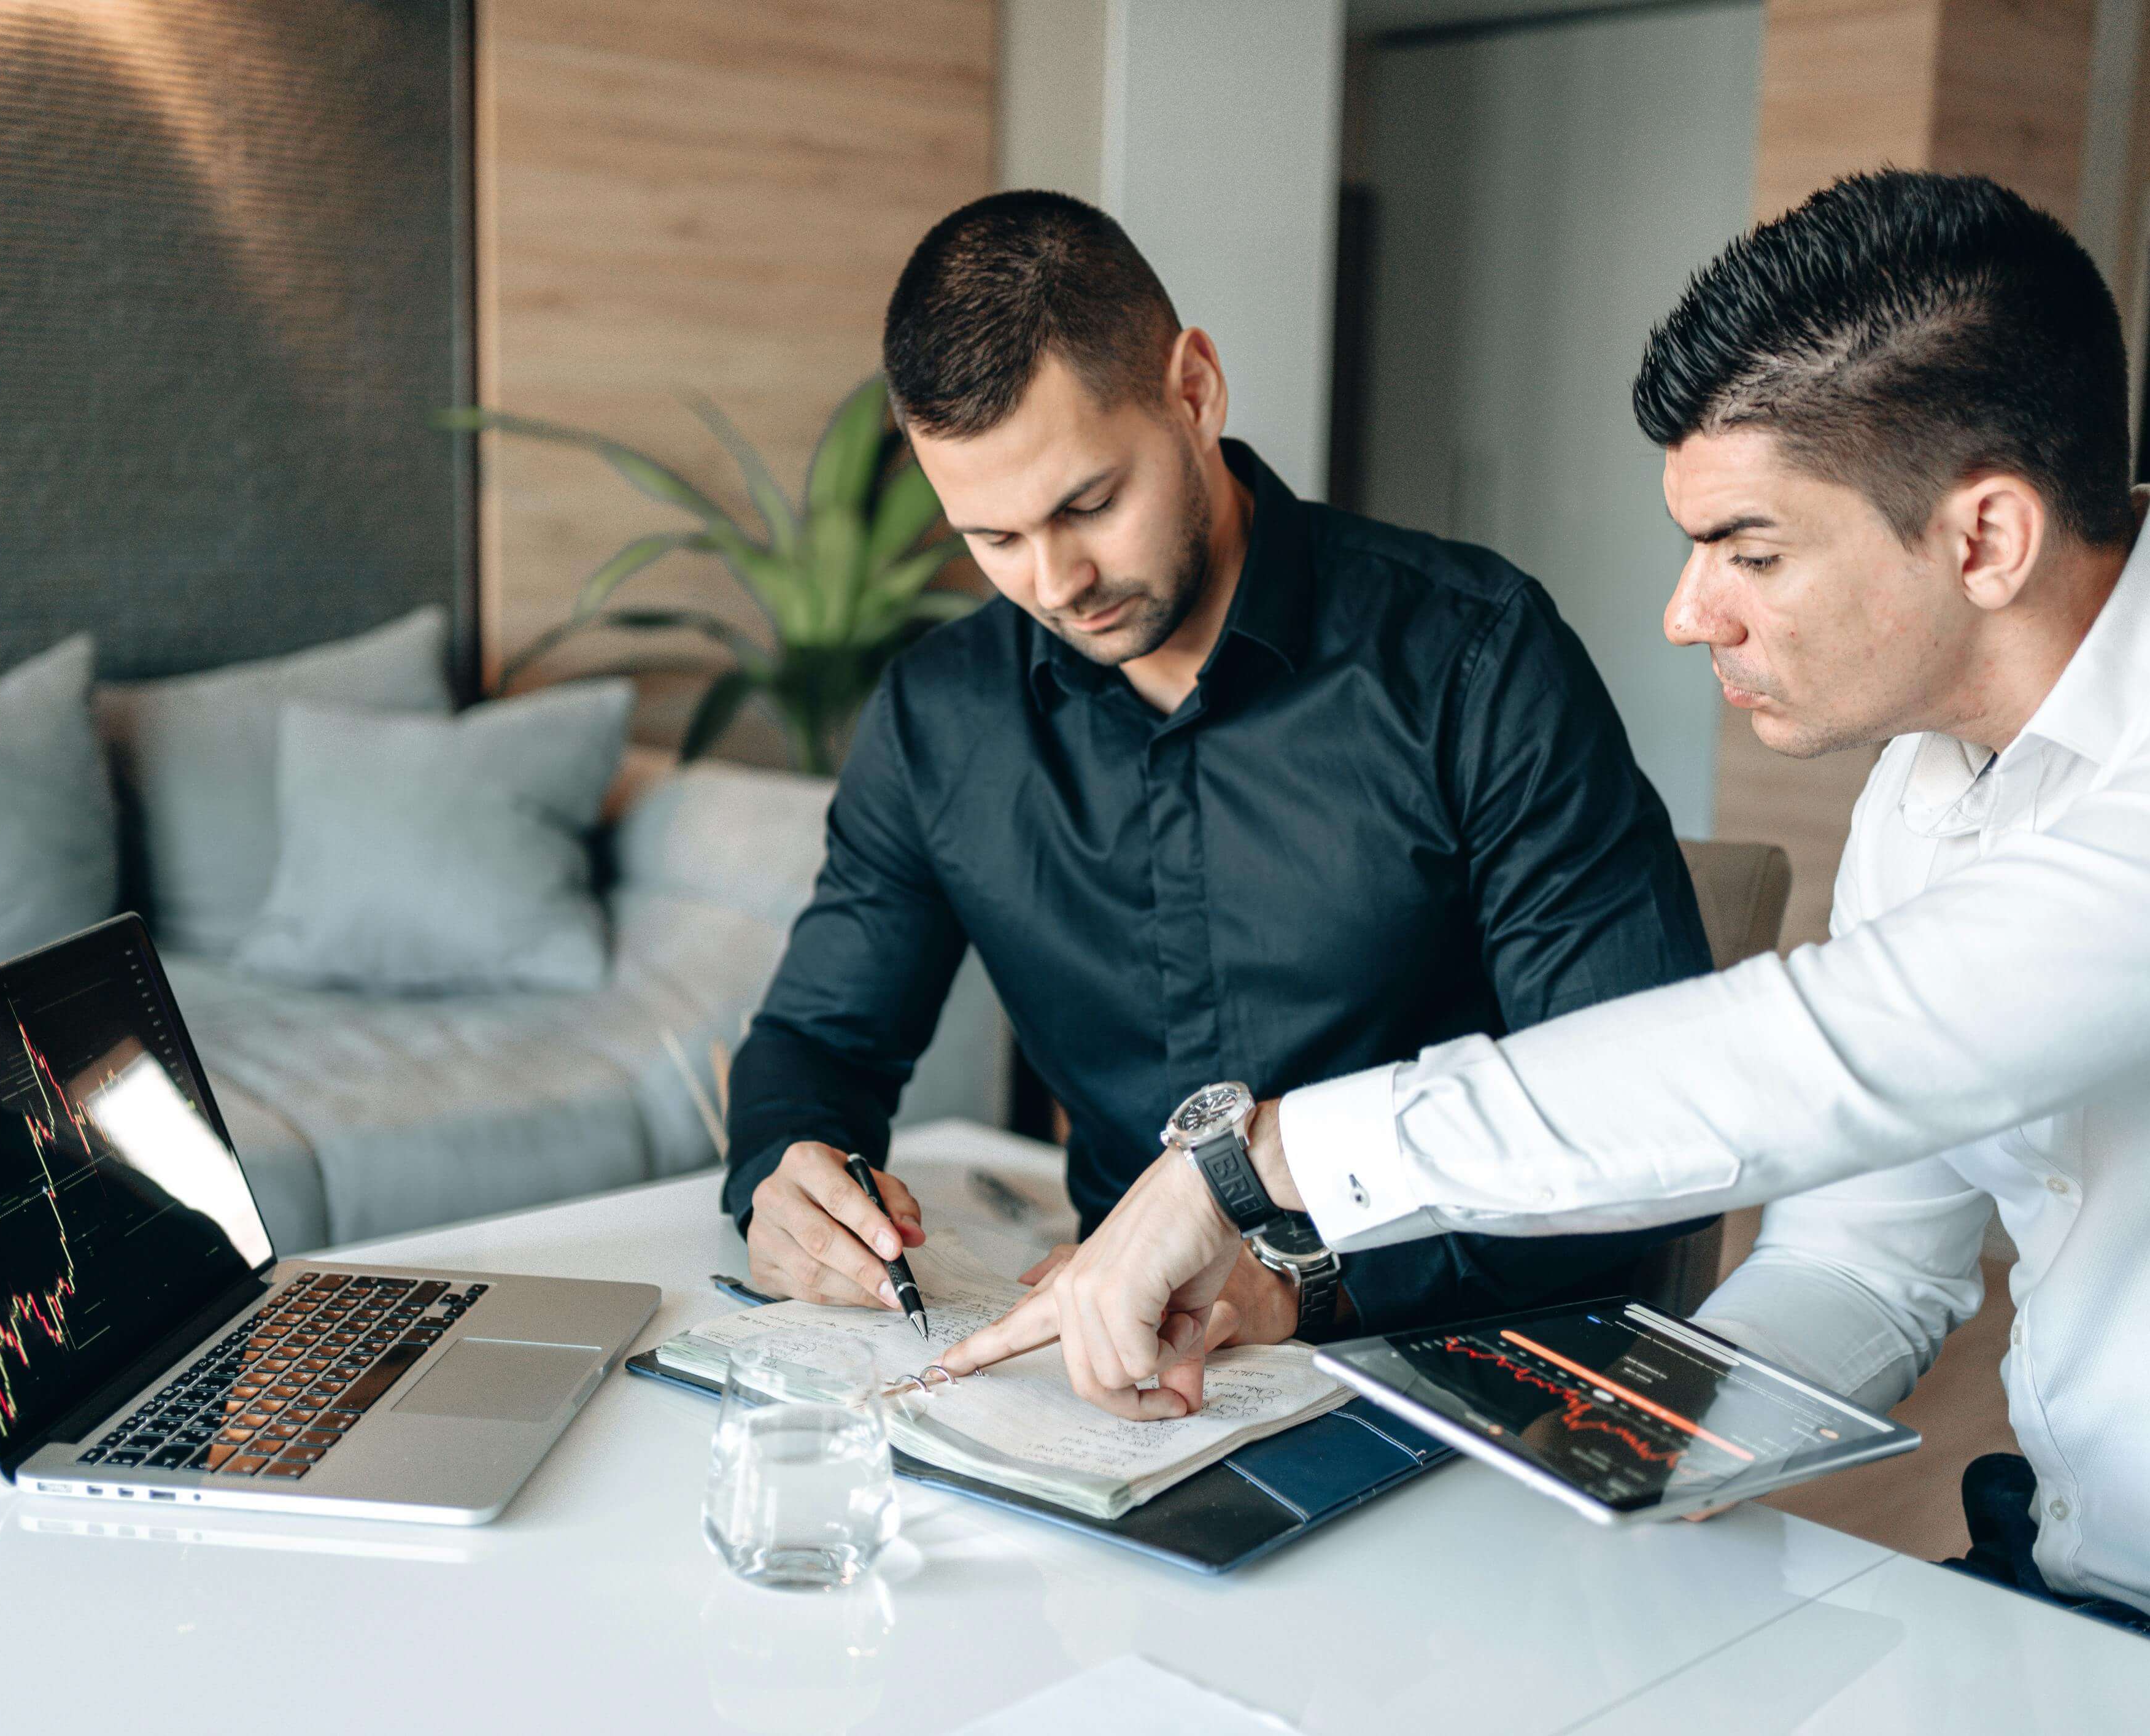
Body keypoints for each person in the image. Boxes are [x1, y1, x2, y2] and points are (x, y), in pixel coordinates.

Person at [948, 171, 2150, 1696]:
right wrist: (1588, 1453)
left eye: (1749, 551)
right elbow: (1872, 1266)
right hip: (2073, 1597)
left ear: (1988, 535)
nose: (1690, 615)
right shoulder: (1924, 800)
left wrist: (1265, 1160)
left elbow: (1868, 1042)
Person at [722, 190, 1715, 1376]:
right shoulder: (942, 717)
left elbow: (1650, 1124)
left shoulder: (1471, 659)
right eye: (989, 539)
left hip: (1454, 1356)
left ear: (1193, 390)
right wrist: (789, 1175)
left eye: (1088, 503)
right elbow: (819, 1037)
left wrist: (1300, 1279)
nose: (1054, 581)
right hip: (1121, 1367)